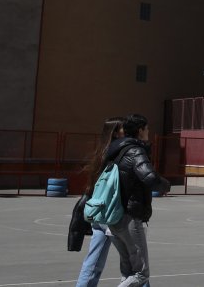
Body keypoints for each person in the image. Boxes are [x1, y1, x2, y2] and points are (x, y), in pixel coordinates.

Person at [73, 117, 150, 287]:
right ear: (116, 132)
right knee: (137, 263)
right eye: (124, 129)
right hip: (113, 213)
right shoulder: (122, 152)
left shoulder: (105, 152)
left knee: (94, 262)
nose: (127, 131)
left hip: (100, 211)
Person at [105, 114, 170, 287]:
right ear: (140, 130)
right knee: (141, 274)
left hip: (113, 217)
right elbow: (149, 177)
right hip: (130, 217)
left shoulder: (114, 150)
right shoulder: (135, 151)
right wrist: (165, 185)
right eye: (147, 128)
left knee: (127, 271)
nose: (148, 131)